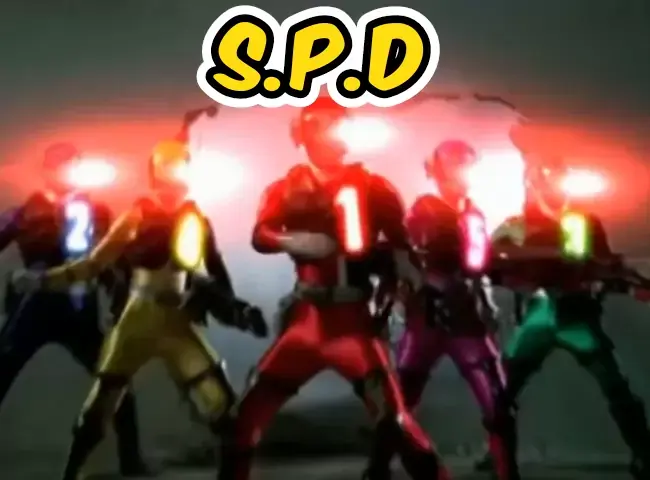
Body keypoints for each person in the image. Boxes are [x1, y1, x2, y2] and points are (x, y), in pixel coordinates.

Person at [13, 108, 267, 480]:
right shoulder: (137, 217)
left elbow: (214, 274)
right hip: (136, 320)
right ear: (156, 173)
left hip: (175, 322)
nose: (176, 177)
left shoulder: (194, 219)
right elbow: (94, 263)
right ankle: (73, 472)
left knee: (221, 406)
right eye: (170, 169)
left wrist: (239, 312)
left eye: (182, 167)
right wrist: (42, 282)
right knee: (100, 407)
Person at [218, 96, 449, 480]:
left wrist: (407, 283)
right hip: (305, 323)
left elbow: (402, 248)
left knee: (395, 423)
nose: (332, 132)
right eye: (322, 124)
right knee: (245, 419)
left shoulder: (374, 187)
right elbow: (261, 234)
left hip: (352, 323)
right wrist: (296, 241)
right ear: (305, 133)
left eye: (337, 123)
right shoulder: (285, 188)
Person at [477, 123, 650, 479]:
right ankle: (496, 454)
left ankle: (644, 452)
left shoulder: (583, 221)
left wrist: (630, 284)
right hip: (539, 316)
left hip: (576, 314)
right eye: (544, 176)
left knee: (616, 387)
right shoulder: (516, 226)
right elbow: (488, 262)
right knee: (501, 390)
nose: (552, 184)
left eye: (557, 175)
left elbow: (602, 265)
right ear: (531, 182)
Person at [0, 142, 149, 476]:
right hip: (34, 309)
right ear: (47, 171)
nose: (68, 173)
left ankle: (132, 460)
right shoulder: (26, 212)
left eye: (73, 165)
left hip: (78, 310)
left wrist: (120, 295)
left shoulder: (95, 211)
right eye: (62, 166)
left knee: (115, 381)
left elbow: (113, 258)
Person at [372, 140, 518, 479]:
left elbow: (479, 265)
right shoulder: (424, 211)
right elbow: (402, 257)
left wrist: (488, 293)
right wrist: (395, 294)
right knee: (400, 402)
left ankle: (508, 474)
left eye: (466, 164)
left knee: (498, 404)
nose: (462, 171)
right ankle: (377, 469)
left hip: (467, 317)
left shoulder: (473, 214)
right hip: (427, 318)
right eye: (454, 164)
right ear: (438, 171)